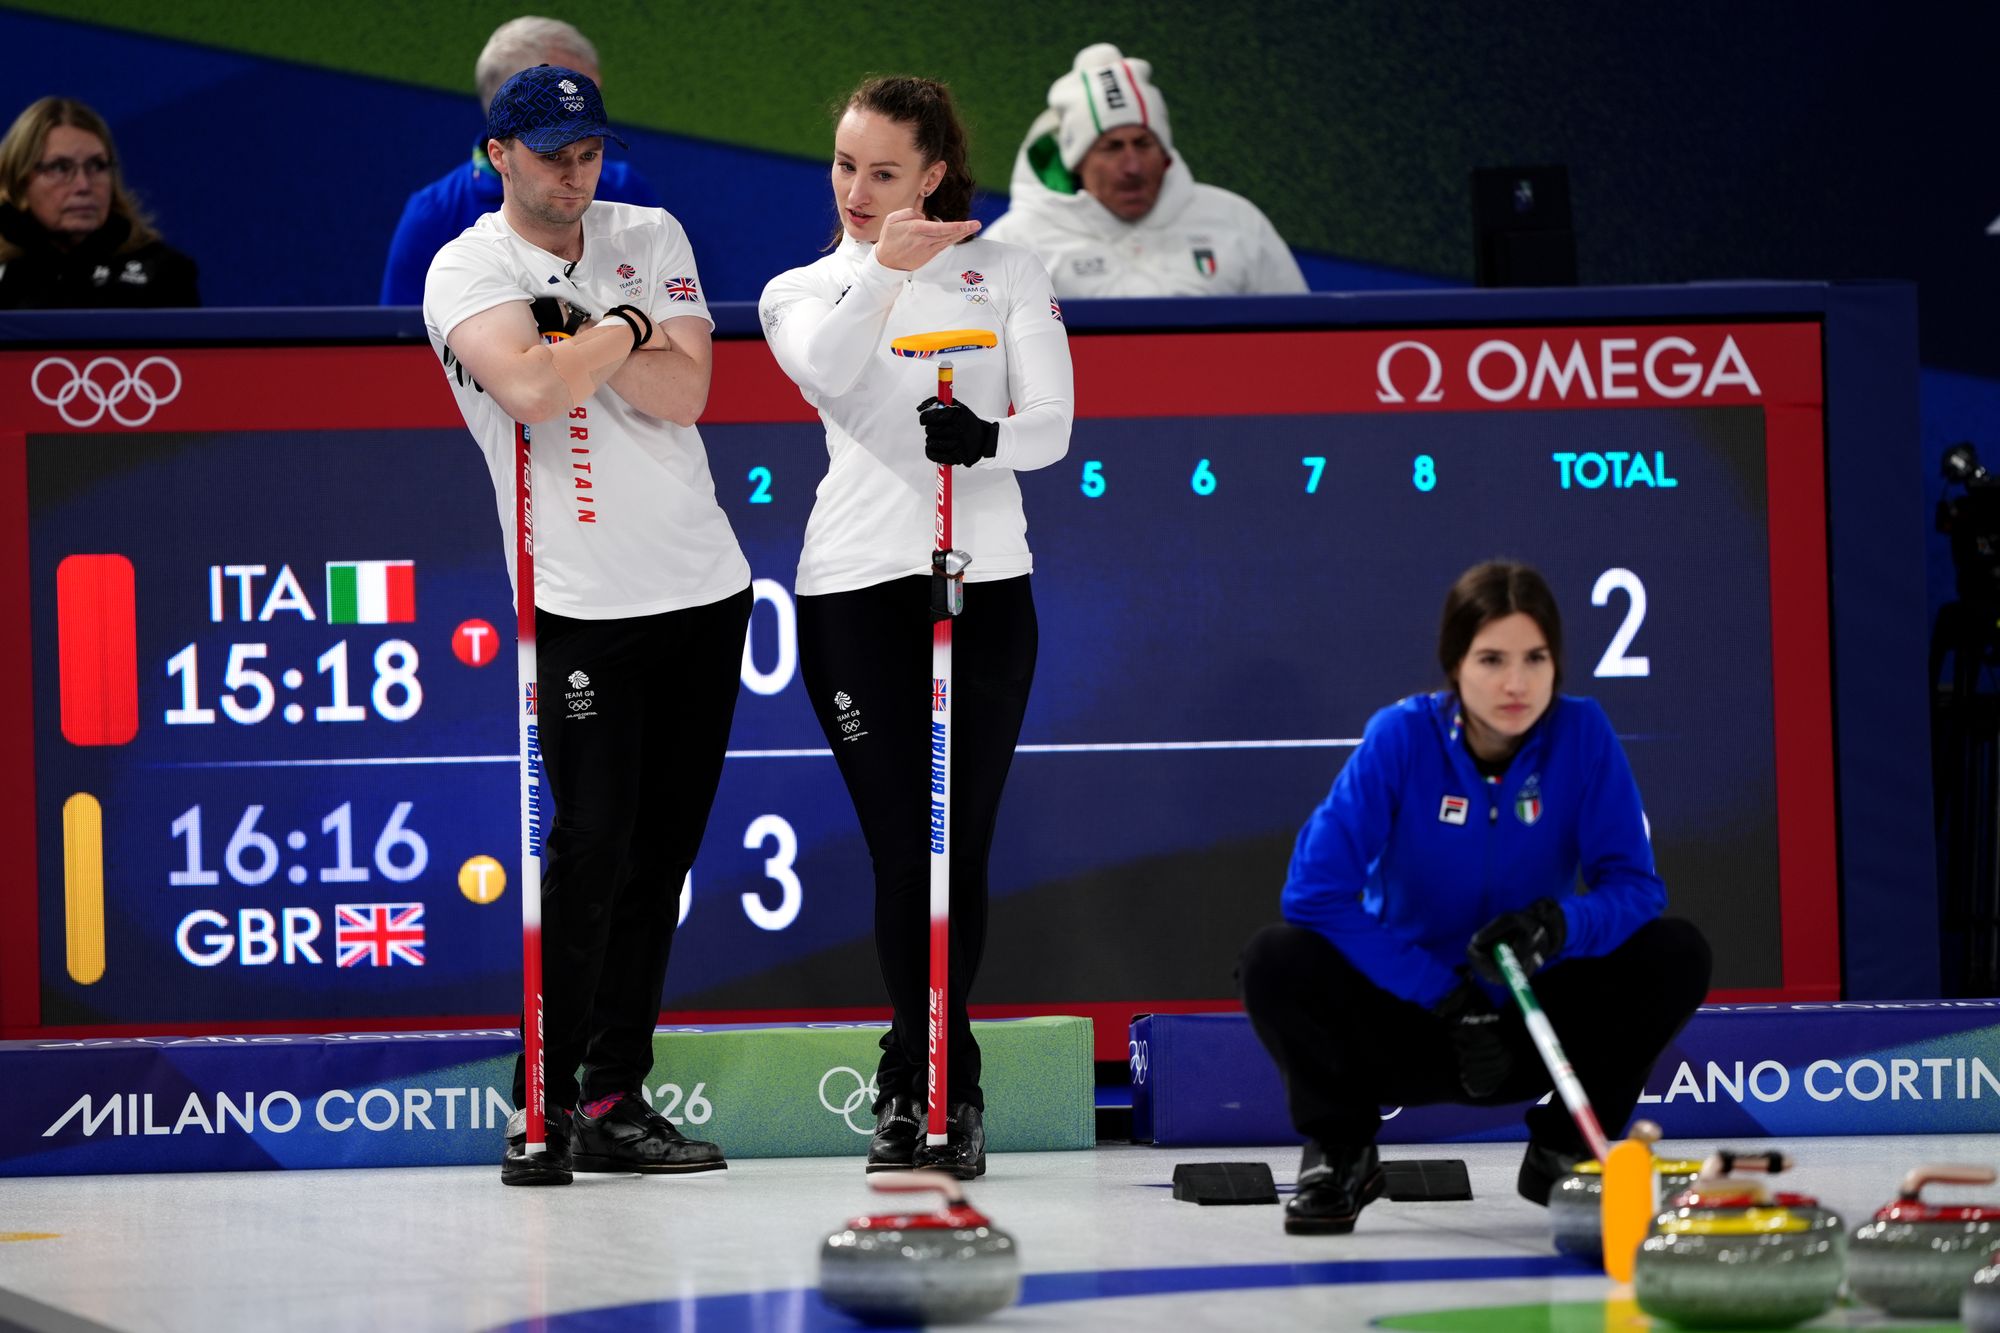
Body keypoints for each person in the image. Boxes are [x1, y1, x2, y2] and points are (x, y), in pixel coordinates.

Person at [422, 64, 752, 1186]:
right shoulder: (465, 265)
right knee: (590, 846)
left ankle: (613, 1096)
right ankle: (545, 1093)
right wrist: (626, 329)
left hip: (705, 585)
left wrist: (587, 333)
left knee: (661, 854)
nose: (576, 171)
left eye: (589, 150)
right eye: (552, 152)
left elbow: (687, 392)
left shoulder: (649, 230)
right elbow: (528, 391)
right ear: (498, 155)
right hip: (579, 602)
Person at [758, 75, 1073, 1179]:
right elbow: (827, 372)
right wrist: (883, 273)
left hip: (984, 582)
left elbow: (1052, 426)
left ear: (933, 173)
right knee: (905, 846)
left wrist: (980, 436)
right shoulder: (800, 287)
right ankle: (922, 1074)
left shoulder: (1007, 269)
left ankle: (936, 1078)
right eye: (844, 166)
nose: (856, 190)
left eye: (883, 172)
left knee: (960, 847)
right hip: (854, 586)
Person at [1238, 560, 1711, 1234]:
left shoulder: (1583, 735)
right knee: (1274, 958)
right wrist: (1443, 995)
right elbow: (1314, 893)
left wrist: (1556, 926)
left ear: (1557, 662)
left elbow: (1636, 889)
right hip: (1410, 1019)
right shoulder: (1400, 737)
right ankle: (1342, 1151)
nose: (1515, 683)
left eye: (1535, 657)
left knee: (1676, 950)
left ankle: (1564, 1152)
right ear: (1455, 662)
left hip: (1527, 1018)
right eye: (1491, 658)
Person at [984, 43, 1307, 298]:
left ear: (1164, 152)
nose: (1133, 167)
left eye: (1143, 143)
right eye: (1111, 148)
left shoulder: (1236, 222)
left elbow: (1303, 340)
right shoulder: (1015, 243)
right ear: (1077, 161)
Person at [382, 15, 661, 305]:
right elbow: (403, 344)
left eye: (592, 95)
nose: (575, 178)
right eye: (567, 94)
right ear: (510, 96)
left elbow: (674, 320)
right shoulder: (433, 214)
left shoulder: (627, 189)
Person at [0, 97, 198, 308]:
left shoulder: (165, 273)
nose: (83, 185)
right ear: (19, 183)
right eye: (60, 167)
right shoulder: (6, 271)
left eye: (96, 166)